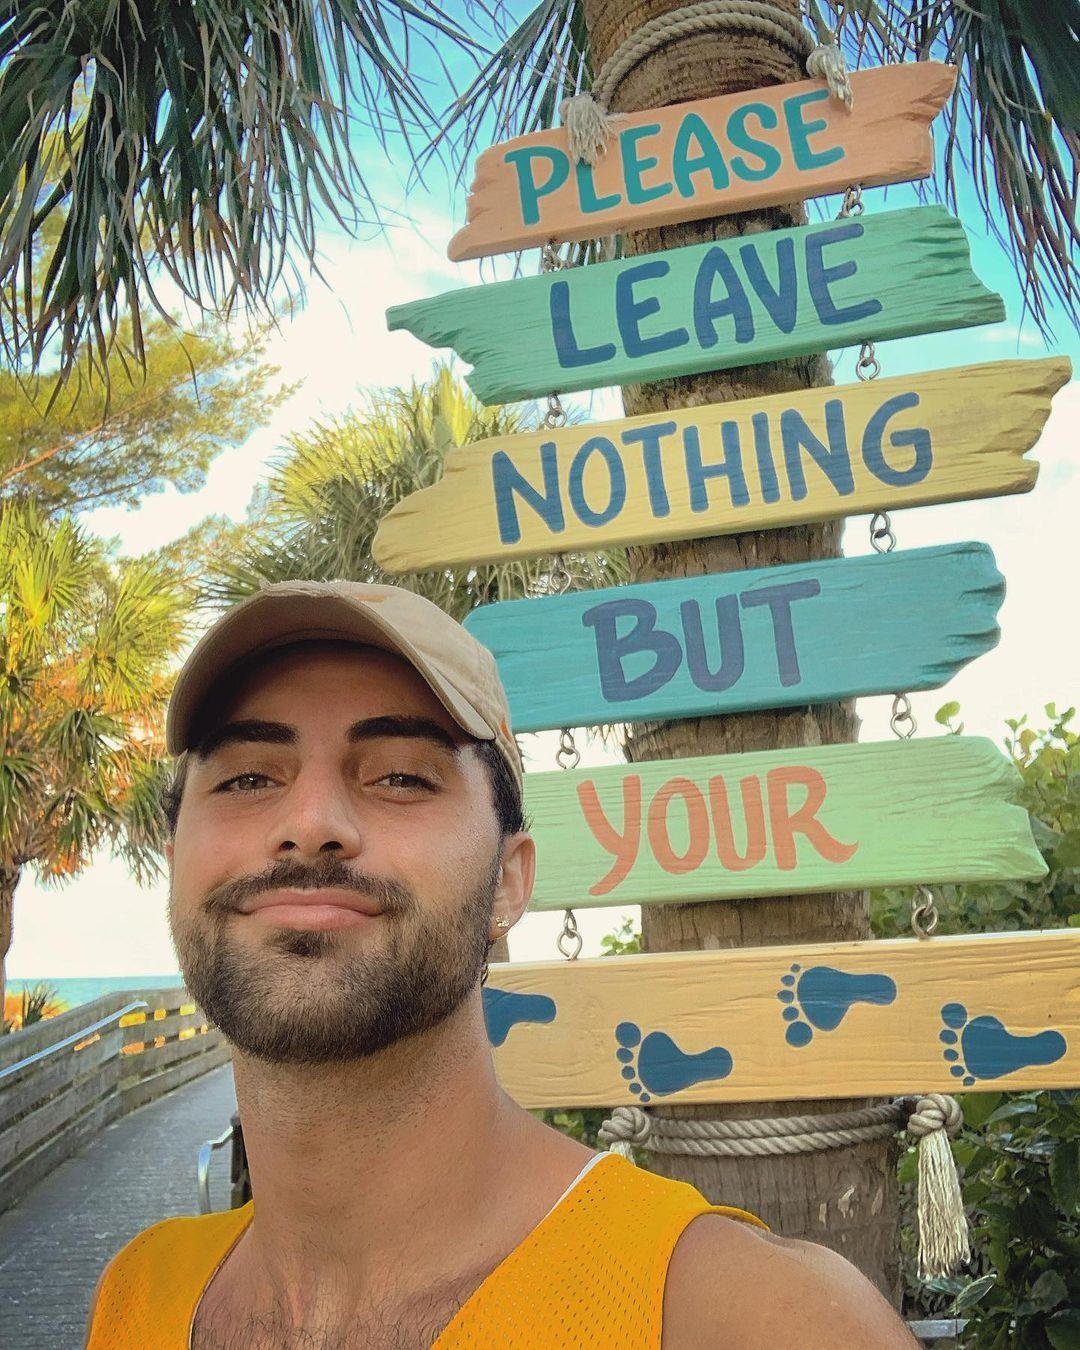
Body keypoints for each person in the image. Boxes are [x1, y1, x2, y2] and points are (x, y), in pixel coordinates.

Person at [86, 580, 919, 1349]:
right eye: (246, 779)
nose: (309, 822)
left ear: (506, 885)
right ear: (176, 859)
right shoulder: (139, 1295)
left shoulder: (747, 1316)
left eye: (402, 776)